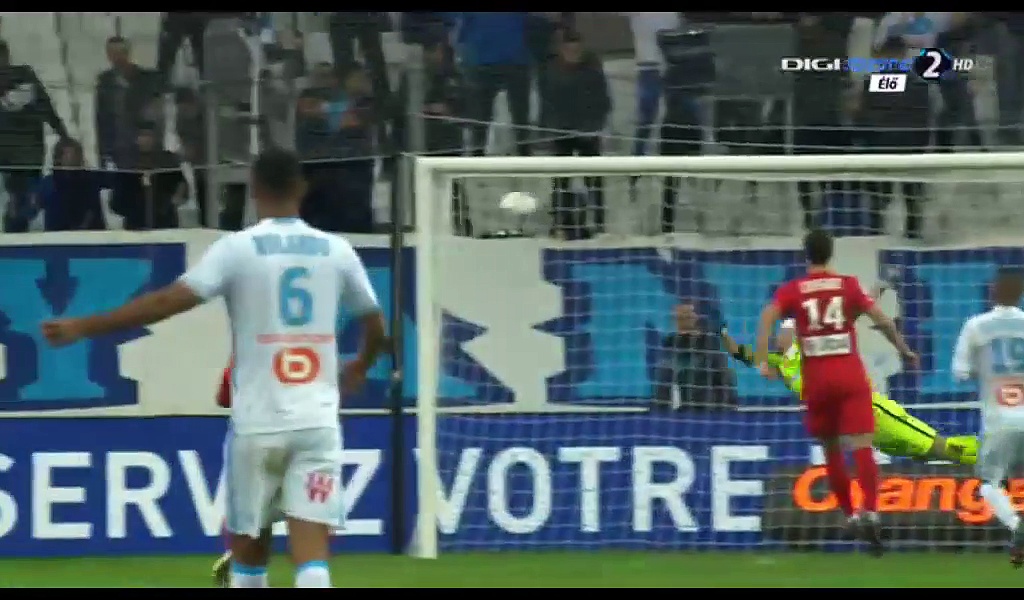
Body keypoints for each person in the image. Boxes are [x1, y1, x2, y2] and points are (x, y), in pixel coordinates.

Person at [40, 147, 387, 588]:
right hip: (317, 420)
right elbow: (375, 325)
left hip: (258, 421)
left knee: (249, 553)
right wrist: (360, 365)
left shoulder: (238, 249)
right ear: (301, 188)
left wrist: (84, 326)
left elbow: (166, 302)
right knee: (312, 553)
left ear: (255, 189)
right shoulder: (337, 251)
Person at [754, 229, 918, 556]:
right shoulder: (847, 286)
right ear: (831, 253)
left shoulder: (794, 289)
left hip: (817, 380)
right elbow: (883, 321)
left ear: (806, 255)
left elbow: (767, 316)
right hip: (850, 376)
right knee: (863, 446)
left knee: (831, 450)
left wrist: (763, 360)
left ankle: (850, 514)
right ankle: (871, 510)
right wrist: (904, 350)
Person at [723, 321, 978, 465]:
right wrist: (722, 332)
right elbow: (741, 354)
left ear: (796, 335)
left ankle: (987, 455)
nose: (779, 335)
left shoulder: (813, 350)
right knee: (923, 455)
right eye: (780, 330)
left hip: (872, 412)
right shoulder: (779, 362)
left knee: (938, 447)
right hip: (855, 427)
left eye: (784, 330)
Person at [952, 267, 1024, 567]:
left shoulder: (976, 326)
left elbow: (960, 372)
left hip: (999, 420)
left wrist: (985, 372)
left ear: (994, 289)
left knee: (988, 483)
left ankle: (1018, 528)